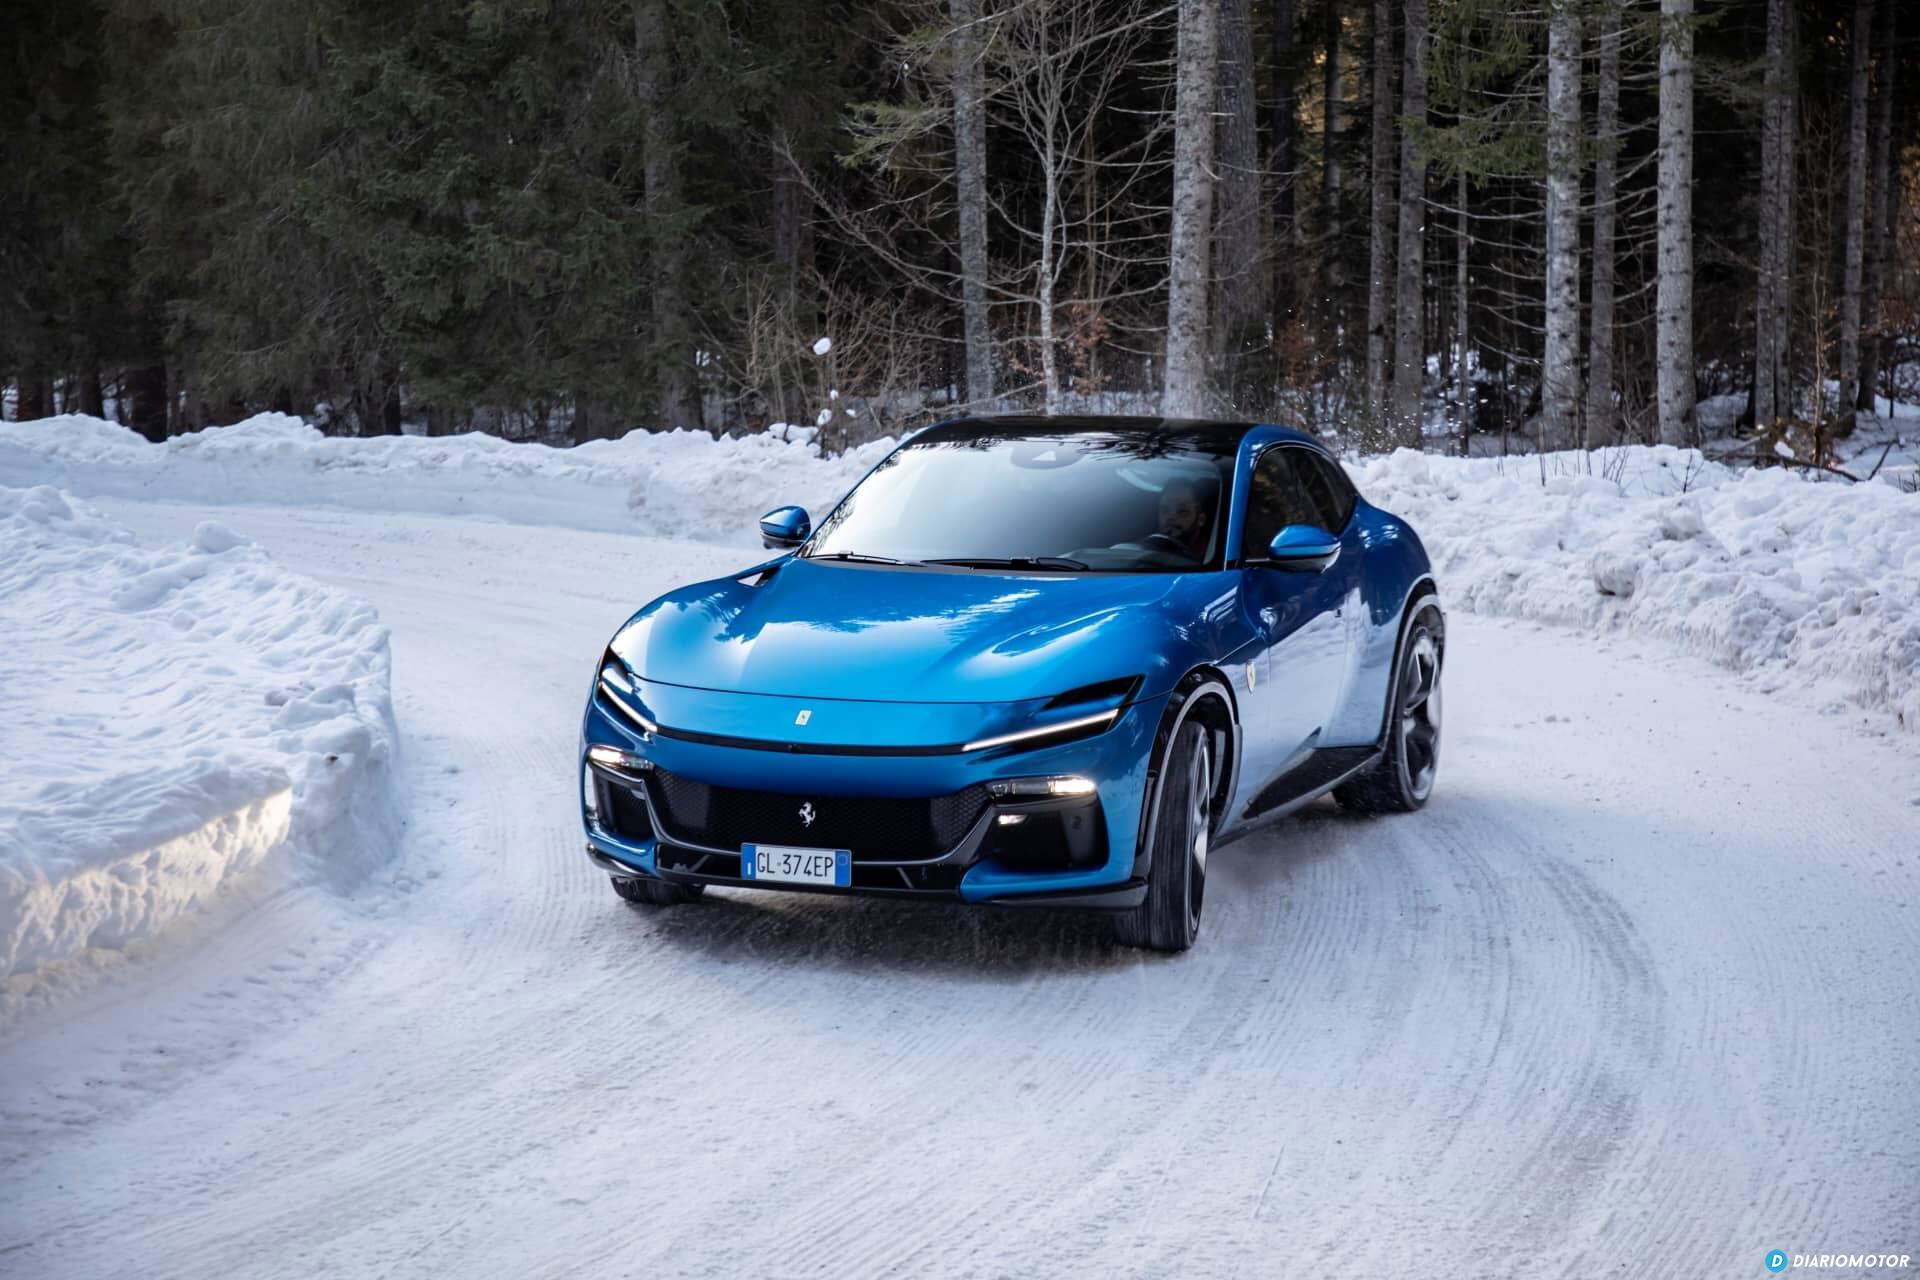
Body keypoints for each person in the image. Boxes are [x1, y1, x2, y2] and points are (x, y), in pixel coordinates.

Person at [1151, 477, 1213, 561]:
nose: (1170, 517)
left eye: (1182, 511)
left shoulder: (1211, 557)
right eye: (1165, 511)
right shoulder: (1149, 550)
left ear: (1201, 519)